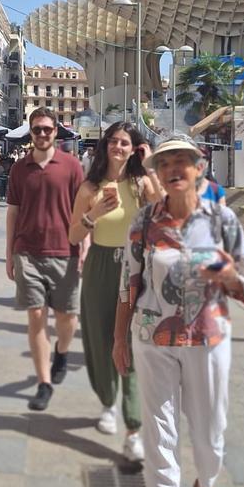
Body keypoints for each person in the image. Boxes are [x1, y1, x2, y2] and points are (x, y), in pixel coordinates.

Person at [113, 136, 244, 487]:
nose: (174, 168)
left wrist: (225, 272)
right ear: (156, 171)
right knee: (160, 438)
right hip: (152, 339)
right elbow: (127, 285)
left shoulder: (221, 219)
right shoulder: (144, 222)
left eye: (182, 162)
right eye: (165, 162)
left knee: (209, 435)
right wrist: (119, 338)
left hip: (208, 338)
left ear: (199, 167)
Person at [67, 122, 161, 459]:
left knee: (132, 344)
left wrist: (149, 164)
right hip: (100, 265)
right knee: (100, 337)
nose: (119, 147)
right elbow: (73, 237)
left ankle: (133, 427)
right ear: (105, 145)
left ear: (134, 148)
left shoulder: (142, 183)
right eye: (114, 141)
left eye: (126, 143)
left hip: (136, 268)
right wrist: (93, 215)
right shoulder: (90, 187)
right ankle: (107, 402)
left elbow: (167, 212)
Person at [6, 107, 84, 411]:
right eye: (36, 129)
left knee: (66, 318)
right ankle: (43, 382)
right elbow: (12, 212)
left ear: (55, 132)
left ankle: (62, 353)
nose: (41, 134)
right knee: (36, 316)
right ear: (30, 132)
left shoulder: (72, 166)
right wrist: (9, 253)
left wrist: (85, 243)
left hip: (65, 251)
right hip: (28, 251)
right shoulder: (19, 169)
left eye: (46, 130)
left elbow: (82, 209)